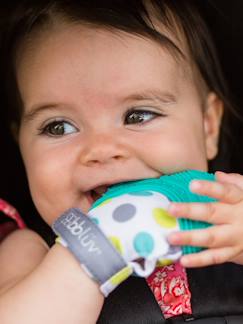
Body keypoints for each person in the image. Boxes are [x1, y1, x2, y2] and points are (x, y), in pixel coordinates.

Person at [1, 0, 243, 323]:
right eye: (58, 127)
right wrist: (91, 248)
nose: (101, 149)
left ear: (207, 125)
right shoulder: (26, 252)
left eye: (138, 115)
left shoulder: (234, 213)